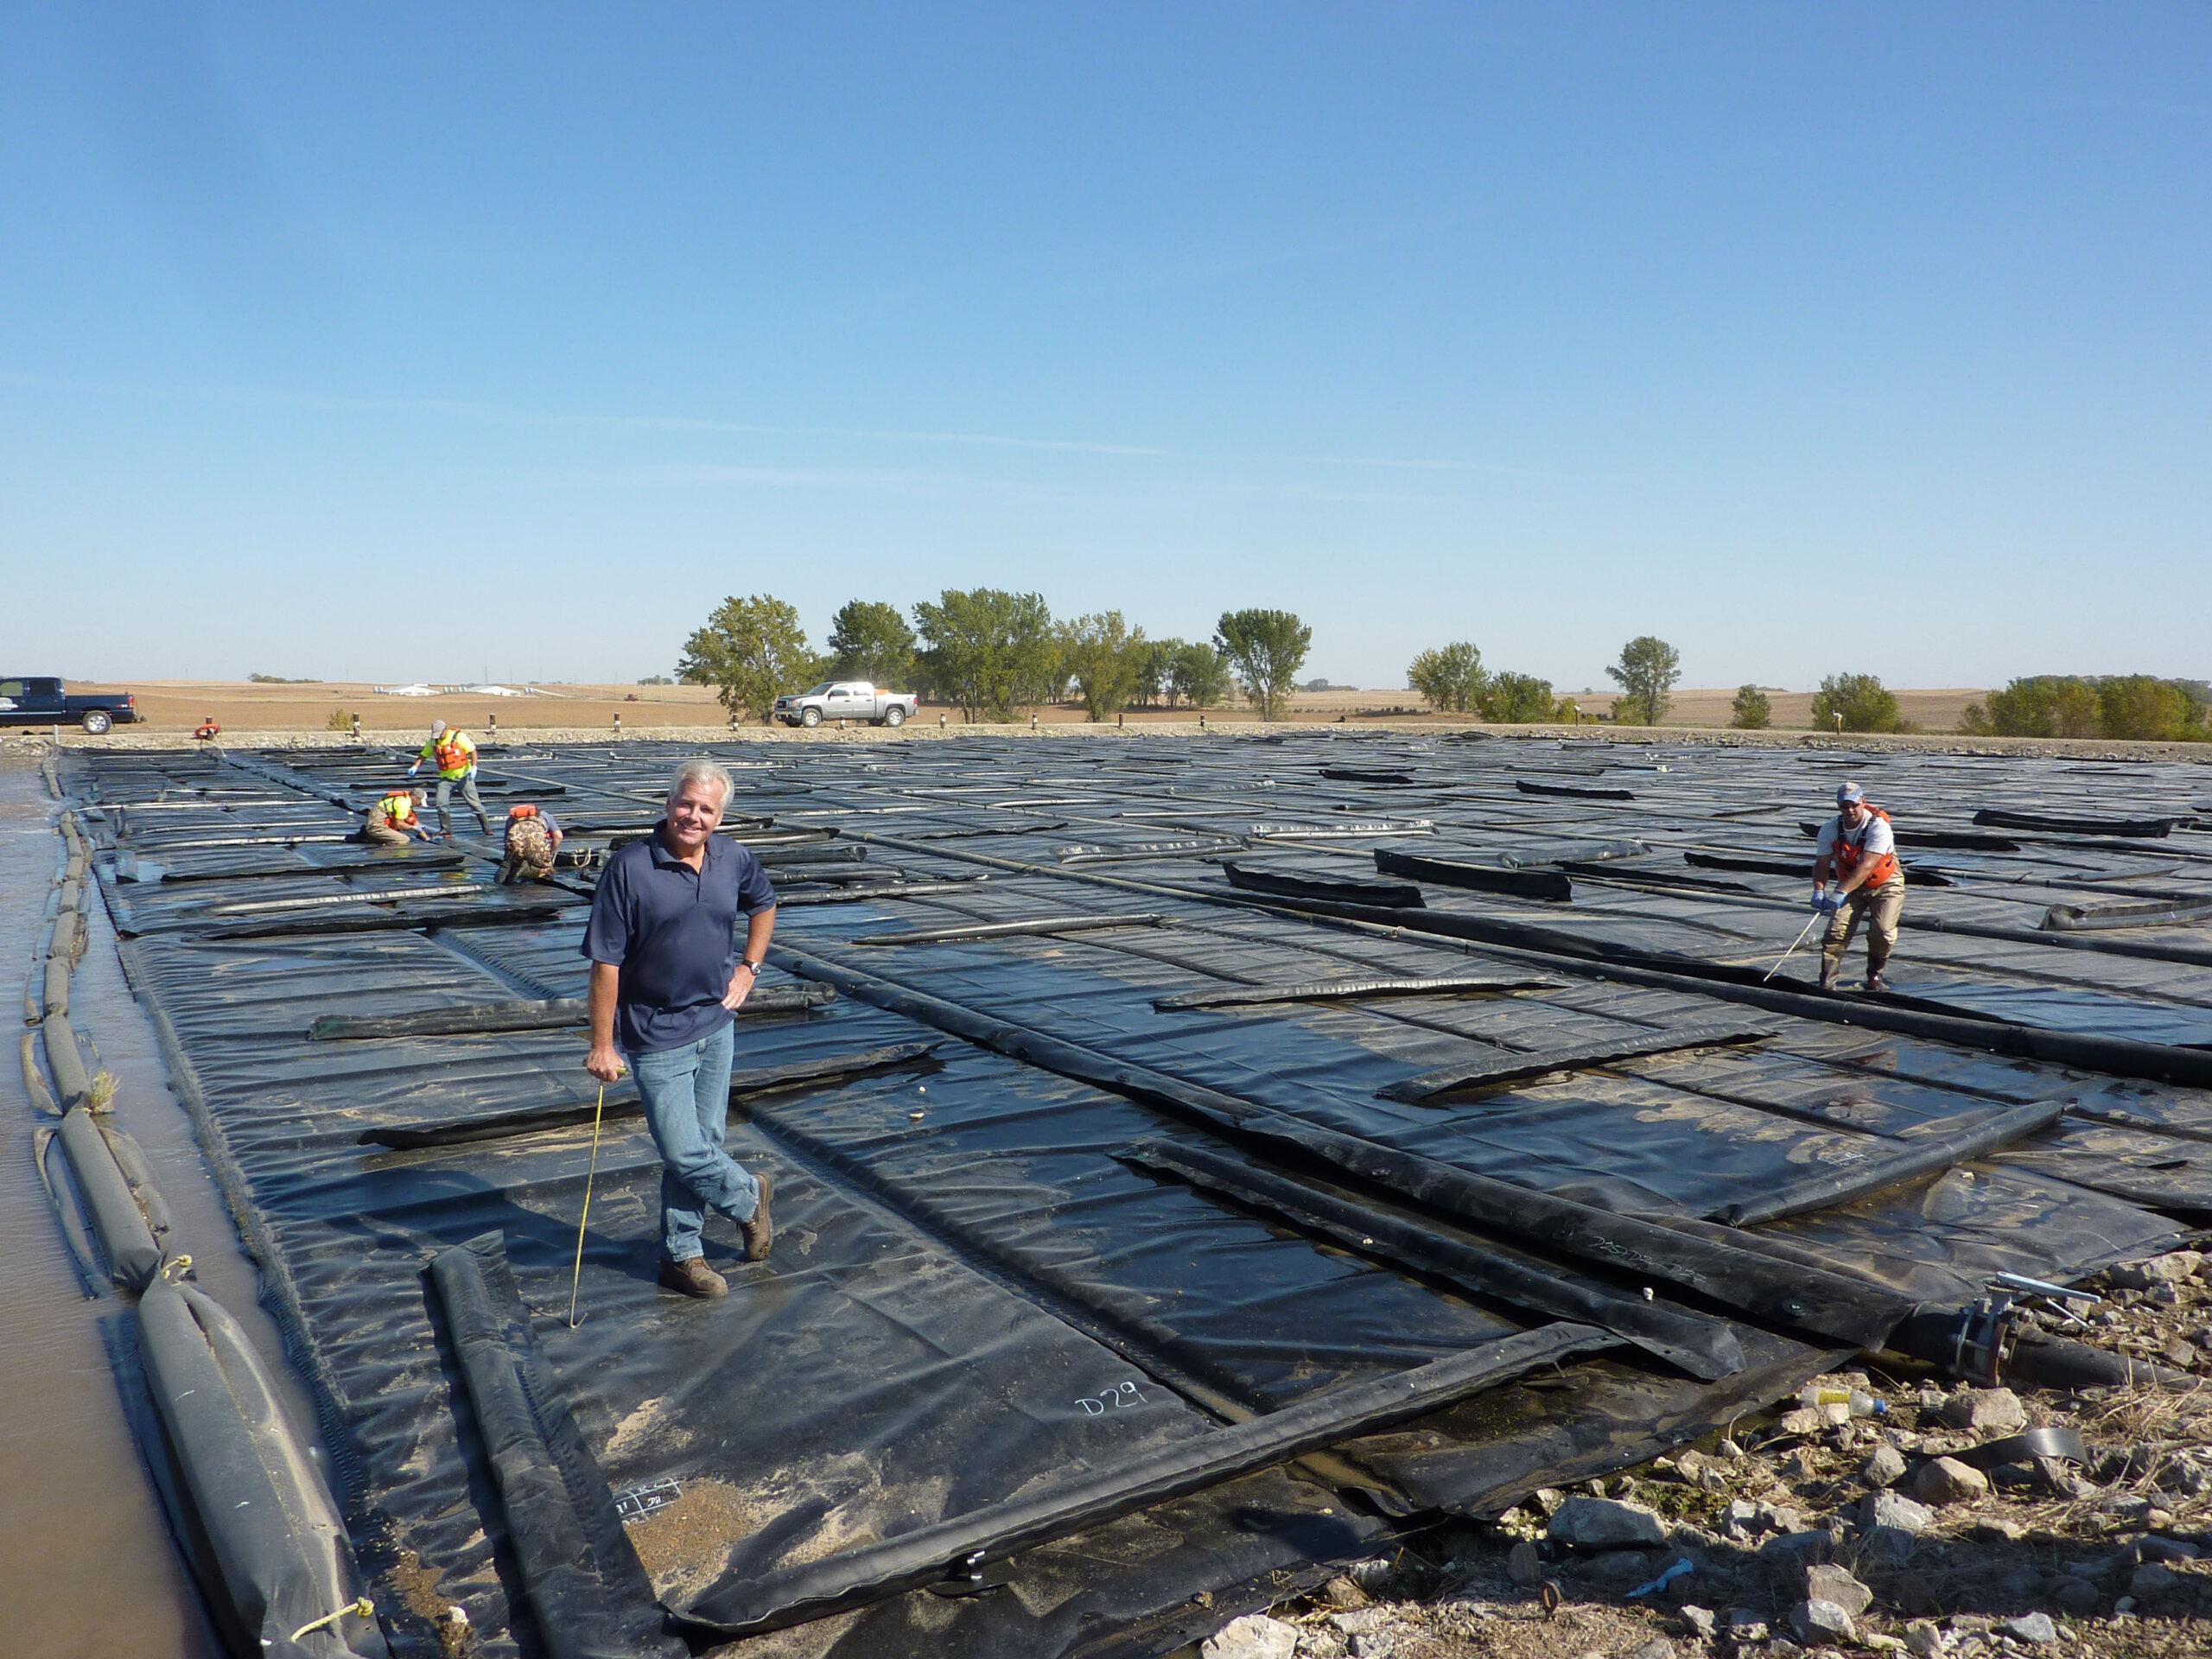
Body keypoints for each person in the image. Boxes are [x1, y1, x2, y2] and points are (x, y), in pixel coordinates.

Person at [582, 758, 779, 1298]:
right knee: (683, 1151)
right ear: (668, 804)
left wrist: (749, 968)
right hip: (655, 1033)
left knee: (706, 1142)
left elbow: (764, 904)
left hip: (716, 1023)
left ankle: (682, 1255)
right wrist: (603, 1043)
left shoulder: (733, 859)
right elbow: (605, 963)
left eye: (706, 809)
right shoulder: (630, 868)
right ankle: (748, 1198)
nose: (693, 816)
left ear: (719, 816)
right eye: (685, 804)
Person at [1811, 780, 1904, 992]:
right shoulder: (1830, 829)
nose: (1850, 810)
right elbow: (1822, 863)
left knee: (1882, 931)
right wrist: (1819, 889)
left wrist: (1840, 892)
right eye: (1844, 806)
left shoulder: (1879, 828)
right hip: (1851, 885)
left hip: (1885, 883)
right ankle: (1827, 981)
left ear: (1863, 802)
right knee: (1836, 932)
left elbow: (1866, 866)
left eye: (1854, 804)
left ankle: (1875, 976)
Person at [406, 721, 493, 839]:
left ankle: (487, 829)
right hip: (446, 778)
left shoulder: (459, 737)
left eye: (440, 734)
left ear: (445, 729)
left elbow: (473, 751)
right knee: (441, 803)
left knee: (474, 804)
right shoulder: (433, 742)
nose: (438, 737)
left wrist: (474, 767)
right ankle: (445, 830)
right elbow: (423, 756)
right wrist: (415, 767)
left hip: (463, 777)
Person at [497, 802, 564, 884]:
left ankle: (499, 883)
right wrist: (550, 853)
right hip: (537, 845)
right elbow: (558, 836)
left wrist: (507, 860)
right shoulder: (545, 815)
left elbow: (507, 840)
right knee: (547, 870)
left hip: (516, 844)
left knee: (508, 865)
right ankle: (527, 871)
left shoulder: (511, 819)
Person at [361, 786, 434, 847]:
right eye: (420, 802)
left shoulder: (406, 801)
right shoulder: (403, 803)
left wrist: (427, 838)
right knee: (403, 840)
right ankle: (384, 854)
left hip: (382, 823)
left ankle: (371, 837)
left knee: (399, 835)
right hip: (377, 826)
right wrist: (413, 828)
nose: (419, 805)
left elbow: (414, 822)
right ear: (414, 798)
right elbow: (399, 825)